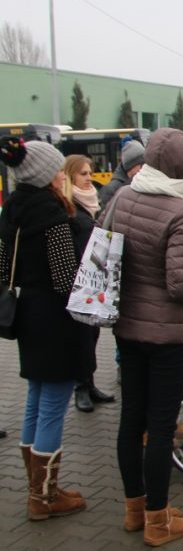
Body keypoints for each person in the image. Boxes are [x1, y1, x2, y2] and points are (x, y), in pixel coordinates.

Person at [101, 128, 183, 546]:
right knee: (160, 428)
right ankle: (158, 521)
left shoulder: (123, 197)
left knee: (131, 421)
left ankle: (135, 509)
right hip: (166, 335)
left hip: (127, 327)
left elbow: (105, 251)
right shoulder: (180, 211)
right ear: (180, 168)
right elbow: (179, 284)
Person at [0, 136, 88, 520]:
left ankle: (39, 490)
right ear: (44, 174)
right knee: (52, 404)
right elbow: (66, 278)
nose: (61, 174)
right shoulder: (52, 216)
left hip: (28, 313)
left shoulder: (11, 209)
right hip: (55, 318)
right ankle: (44, 497)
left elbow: (3, 267)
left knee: (36, 399)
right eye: (56, 169)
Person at [61, 155, 116, 413]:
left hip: (95, 277)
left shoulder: (92, 201)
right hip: (78, 280)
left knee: (92, 334)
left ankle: (90, 383)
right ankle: (80, 387)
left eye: (89, 172)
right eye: (83, 173)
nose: (88, 177)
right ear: (70, 175)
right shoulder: (68, 206)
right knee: (81, 337)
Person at [98, 138, 145, 206]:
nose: (144, 168)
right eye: (141, 164)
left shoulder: (143, 183)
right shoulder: (111, 189)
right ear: (130, 166)